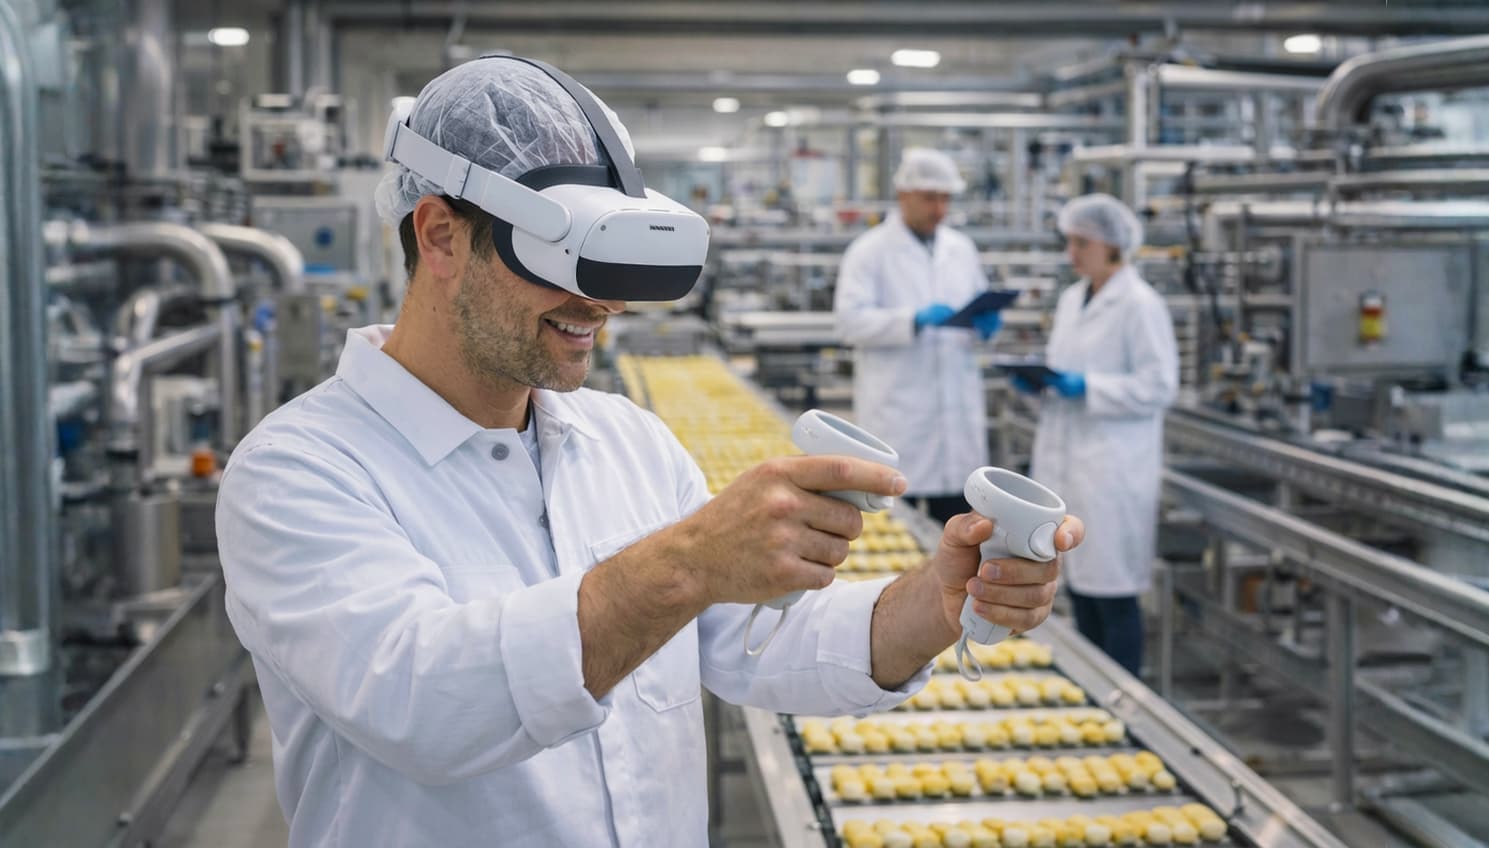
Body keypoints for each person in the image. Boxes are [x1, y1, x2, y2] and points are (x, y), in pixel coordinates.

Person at [214, 58, 1082, 847]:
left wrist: (933, 601)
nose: (603, 304)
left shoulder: (625, 439)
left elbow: (756, 640)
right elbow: (424, 703)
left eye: (614, 262)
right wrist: (689, 562)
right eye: (563, 258)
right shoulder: (298, 471)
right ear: (440, 235)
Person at [1019, 193, 1177, 676]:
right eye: (1070, 241)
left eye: (1081, 243)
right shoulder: (1073, 299)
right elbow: (1067, 370)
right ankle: (1093, 683)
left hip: (1112, 470)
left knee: (1114, 596)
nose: (1073, 253)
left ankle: (1126, 697)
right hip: (1071, 461)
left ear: (1111, 245)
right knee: (1082, 589)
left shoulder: (1140, 305)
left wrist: (1089, 387)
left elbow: (1158, 386)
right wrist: (1042, 384)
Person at [834, 148, 1001, 525]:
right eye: (930, 198)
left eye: (945, 199)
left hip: (955, 422)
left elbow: (976, 308)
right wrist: (912, 321)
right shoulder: (869, 252)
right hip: (899, 423)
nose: (939, 209)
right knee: (895, 541)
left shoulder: (962, 250)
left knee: (958, 542)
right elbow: (848, 323)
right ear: (903, 195)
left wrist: (984, 324)